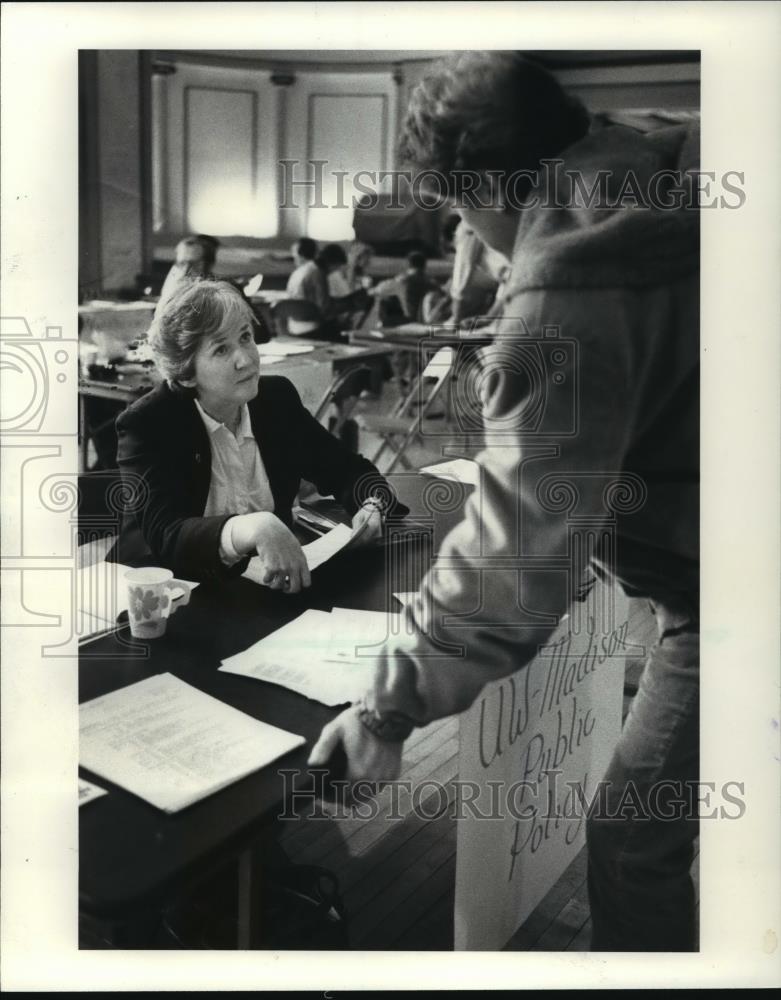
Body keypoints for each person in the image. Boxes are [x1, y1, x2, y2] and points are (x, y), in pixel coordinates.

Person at [309, 51, 700, 952]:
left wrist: (385, 710)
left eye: (459, 209)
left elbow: (517, 554)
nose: (476, 238)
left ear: (482, 183)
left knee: (633, 843)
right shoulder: (660, 162)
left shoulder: (567, 281)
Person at [111, 279, 408, 586]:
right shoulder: (149, 422)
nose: (246, 358)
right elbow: (166, 536)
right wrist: (254, 527)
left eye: (245, 337)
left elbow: (348, 469)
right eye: (222, 349)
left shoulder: (275, 399)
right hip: (164, 595)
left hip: (259, 588)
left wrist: (372, 505)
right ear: (186, 373)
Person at [156, 234, 219, 318]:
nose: (185, 271)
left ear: (209, 265)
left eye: (193, 264)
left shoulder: (217, 297)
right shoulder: (175, 280)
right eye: (182, 263)